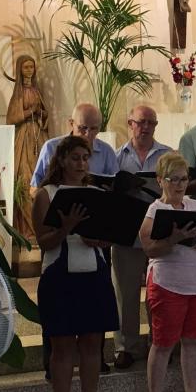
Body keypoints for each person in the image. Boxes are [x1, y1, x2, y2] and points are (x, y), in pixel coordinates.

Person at [31, 102, 118, 376]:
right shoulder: (47, 192)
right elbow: (44, 242)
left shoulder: (96, 191)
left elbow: (108, 233)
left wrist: (102, 240)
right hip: (60, 272)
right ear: (62, 160)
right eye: (75, 158)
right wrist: (66, 228)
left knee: (92, 345)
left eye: (85, 158)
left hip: (94, 270)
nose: (81, 163)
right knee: (63, 346)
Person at [139, 151, 196, 392]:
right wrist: (173, 239)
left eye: (183, 179)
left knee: (193, 341)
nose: (179, 184)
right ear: (160, 180)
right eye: (173, 179)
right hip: (168, 283)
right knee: (163, 344)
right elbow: (149, 249)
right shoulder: (155, 210)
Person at [112, 106, 171, 369]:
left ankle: (159, 342)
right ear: (130, 123)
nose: (146, 127)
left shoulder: (167, 154)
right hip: (126, 231)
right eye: (141, 122)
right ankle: (126, 346)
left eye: (151, 123)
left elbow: (180, 186)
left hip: (158, 232)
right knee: (125, 292)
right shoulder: (116, 157)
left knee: (160, 290)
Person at [6, 55, 49, 240]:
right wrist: (31, 111)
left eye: (32, 67)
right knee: (25, 180)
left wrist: (42, 114)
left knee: (40, 178)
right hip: (23, 139)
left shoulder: (37, 91)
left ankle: (40, 226)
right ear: (19, 70)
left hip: (38, 137)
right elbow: (12, 118)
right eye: (26, 67)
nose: (30, 70)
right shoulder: (18, 93)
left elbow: (45, 114)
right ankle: (26, 229)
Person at [31, 103, 118, 190]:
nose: (87, 134)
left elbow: (116, 186)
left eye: (93, 128)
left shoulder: (107, 151)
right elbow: (34, 188)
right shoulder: (51, 147)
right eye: (83, 128)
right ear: (71, 123)